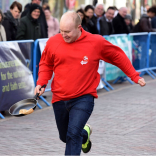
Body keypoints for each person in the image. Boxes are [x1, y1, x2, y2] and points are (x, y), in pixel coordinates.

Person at [34, 11, 146, 156]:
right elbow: (45, 64)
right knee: (65, 137)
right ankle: (85, 134)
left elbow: (117, 56)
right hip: (59, 98)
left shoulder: (95, 42)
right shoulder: (53, 42)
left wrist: (134, 75)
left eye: (67, 31)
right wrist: (42, 82)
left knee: (73, 135)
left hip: (83, 97)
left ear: (79, 27)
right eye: (61, 31)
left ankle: (79, 133)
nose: (63, 35)